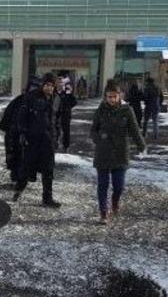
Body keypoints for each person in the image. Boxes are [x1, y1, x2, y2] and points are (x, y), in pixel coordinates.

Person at [91, 82, 146, 224]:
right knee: (102, 185)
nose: (111, 99)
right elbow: (93, 130)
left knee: (119, 186)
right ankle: (103, 212)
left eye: (114, 96)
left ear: (119, 95)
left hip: (120, 152)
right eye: (109, 97)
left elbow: (134, 129)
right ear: (105, 97)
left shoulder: (127, 110)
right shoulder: (101, 109)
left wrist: (141, 145)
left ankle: (115, 201)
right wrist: (98, 140)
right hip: (103, 153)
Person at [13, 72, 61, 208]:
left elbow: (57, 120)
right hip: (32, 140)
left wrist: (57, 136)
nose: (49, 88)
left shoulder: (57, 99)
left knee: (48, 171)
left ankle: (47, 198)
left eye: (52, 85)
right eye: (47, 85)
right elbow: (22, 117)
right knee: (26, 168)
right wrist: (22, 134)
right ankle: (19, 189)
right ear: (42, 85)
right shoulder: (31, 97)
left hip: (48, 140)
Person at [0, 76, 41, 184]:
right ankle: (17, 176)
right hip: (15, 134)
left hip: (28, 136)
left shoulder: (38, 102)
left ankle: (23, 176)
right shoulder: (19, 101)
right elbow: (8, 119)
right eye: (32, 87)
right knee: (16, 157)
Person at [56, 78, 78, 153]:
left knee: (66, 131)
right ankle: (55, 144)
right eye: (58, 82)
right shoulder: (54, 92)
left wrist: (68, 107)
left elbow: (74, 102)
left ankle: (66, 146)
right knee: (55, 130)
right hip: (56, 115)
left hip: (66, 115)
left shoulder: (67, 93)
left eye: (61, 83)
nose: (60, 84)